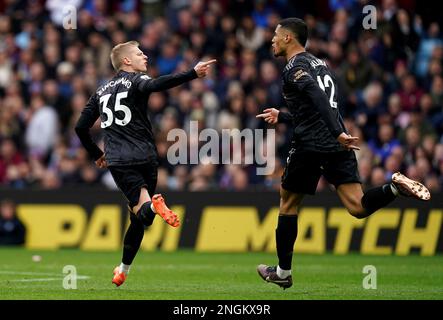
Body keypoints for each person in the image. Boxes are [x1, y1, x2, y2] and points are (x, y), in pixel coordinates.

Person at [255, 18, 430, 289]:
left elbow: (316, 96)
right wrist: (286, 116)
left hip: (312, 144)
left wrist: (336, 131)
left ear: (289, 38)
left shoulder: (294, 67)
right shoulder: (322, 65)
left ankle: (283, 272)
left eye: (276, 36)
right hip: (338, 144)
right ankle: (394, 188)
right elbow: (318, 108)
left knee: (288, 203)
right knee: (357, 207)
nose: (272, 40)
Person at [75, 40, 216, 287]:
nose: (145, 57)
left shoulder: (100, 91)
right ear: (126, 61)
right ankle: (123, 270)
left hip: (120, 159)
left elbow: (80, 127)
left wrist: (97, 153)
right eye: (139, 54)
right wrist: (192, 73)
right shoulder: (138, 81)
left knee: (144, 213)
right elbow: (158, 84)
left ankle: (153, 207)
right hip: (147, 157)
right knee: (139, 217)